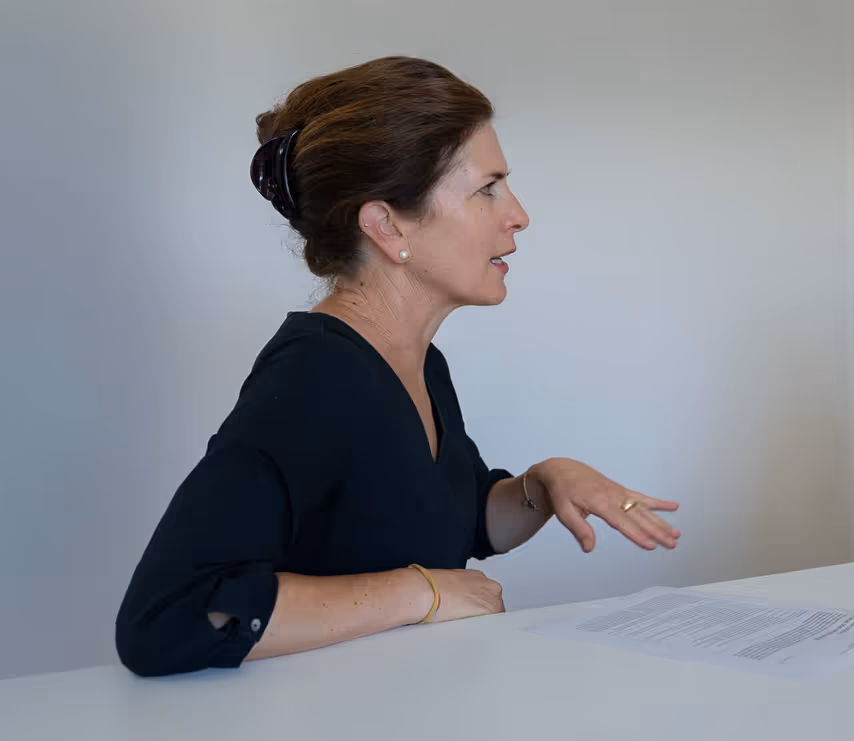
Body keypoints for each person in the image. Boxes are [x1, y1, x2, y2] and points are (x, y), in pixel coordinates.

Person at [115, 57, 681, 677]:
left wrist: (542, 484)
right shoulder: (316, 379)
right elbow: (168, 617)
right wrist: (422, 593)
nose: (518, 214)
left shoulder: (417, 361)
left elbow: (457, 521)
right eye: (486, 189)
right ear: (386, 225)